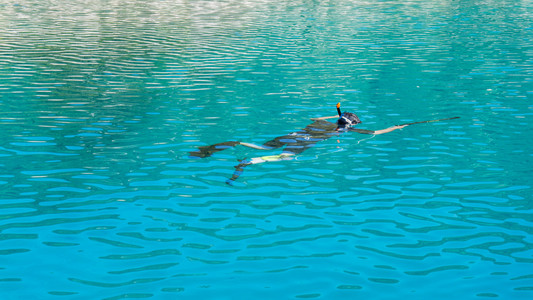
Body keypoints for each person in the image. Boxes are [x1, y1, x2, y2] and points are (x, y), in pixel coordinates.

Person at [189, 103, 458, 185]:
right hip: (300, 145)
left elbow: (315, 116)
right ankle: (247, 163)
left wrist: (337, 114)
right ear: (351, 124)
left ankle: (215, 149)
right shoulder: (342, 131)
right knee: (285, 158)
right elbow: (376, 133)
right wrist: (397, 127)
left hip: (289, 135)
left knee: (264, 146)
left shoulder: (322, 123)